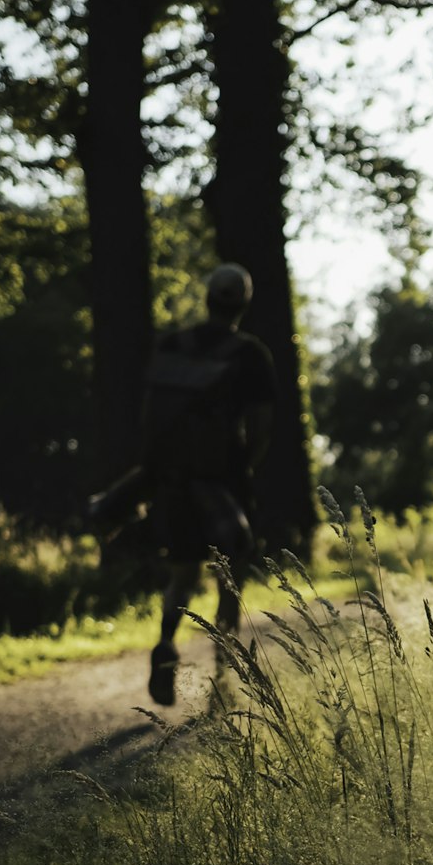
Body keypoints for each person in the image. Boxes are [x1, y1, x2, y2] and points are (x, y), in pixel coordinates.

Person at [142, 263, 275, 706]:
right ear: (244, 304)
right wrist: (245, 469)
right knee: (229, 578)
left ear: (207, 300)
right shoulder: (251, 355)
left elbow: (152, 417)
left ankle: (165, 643)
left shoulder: (174, 345)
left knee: (181, 574)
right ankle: (222, 675)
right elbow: (260, 428)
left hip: (176, 480)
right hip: (223, 484)